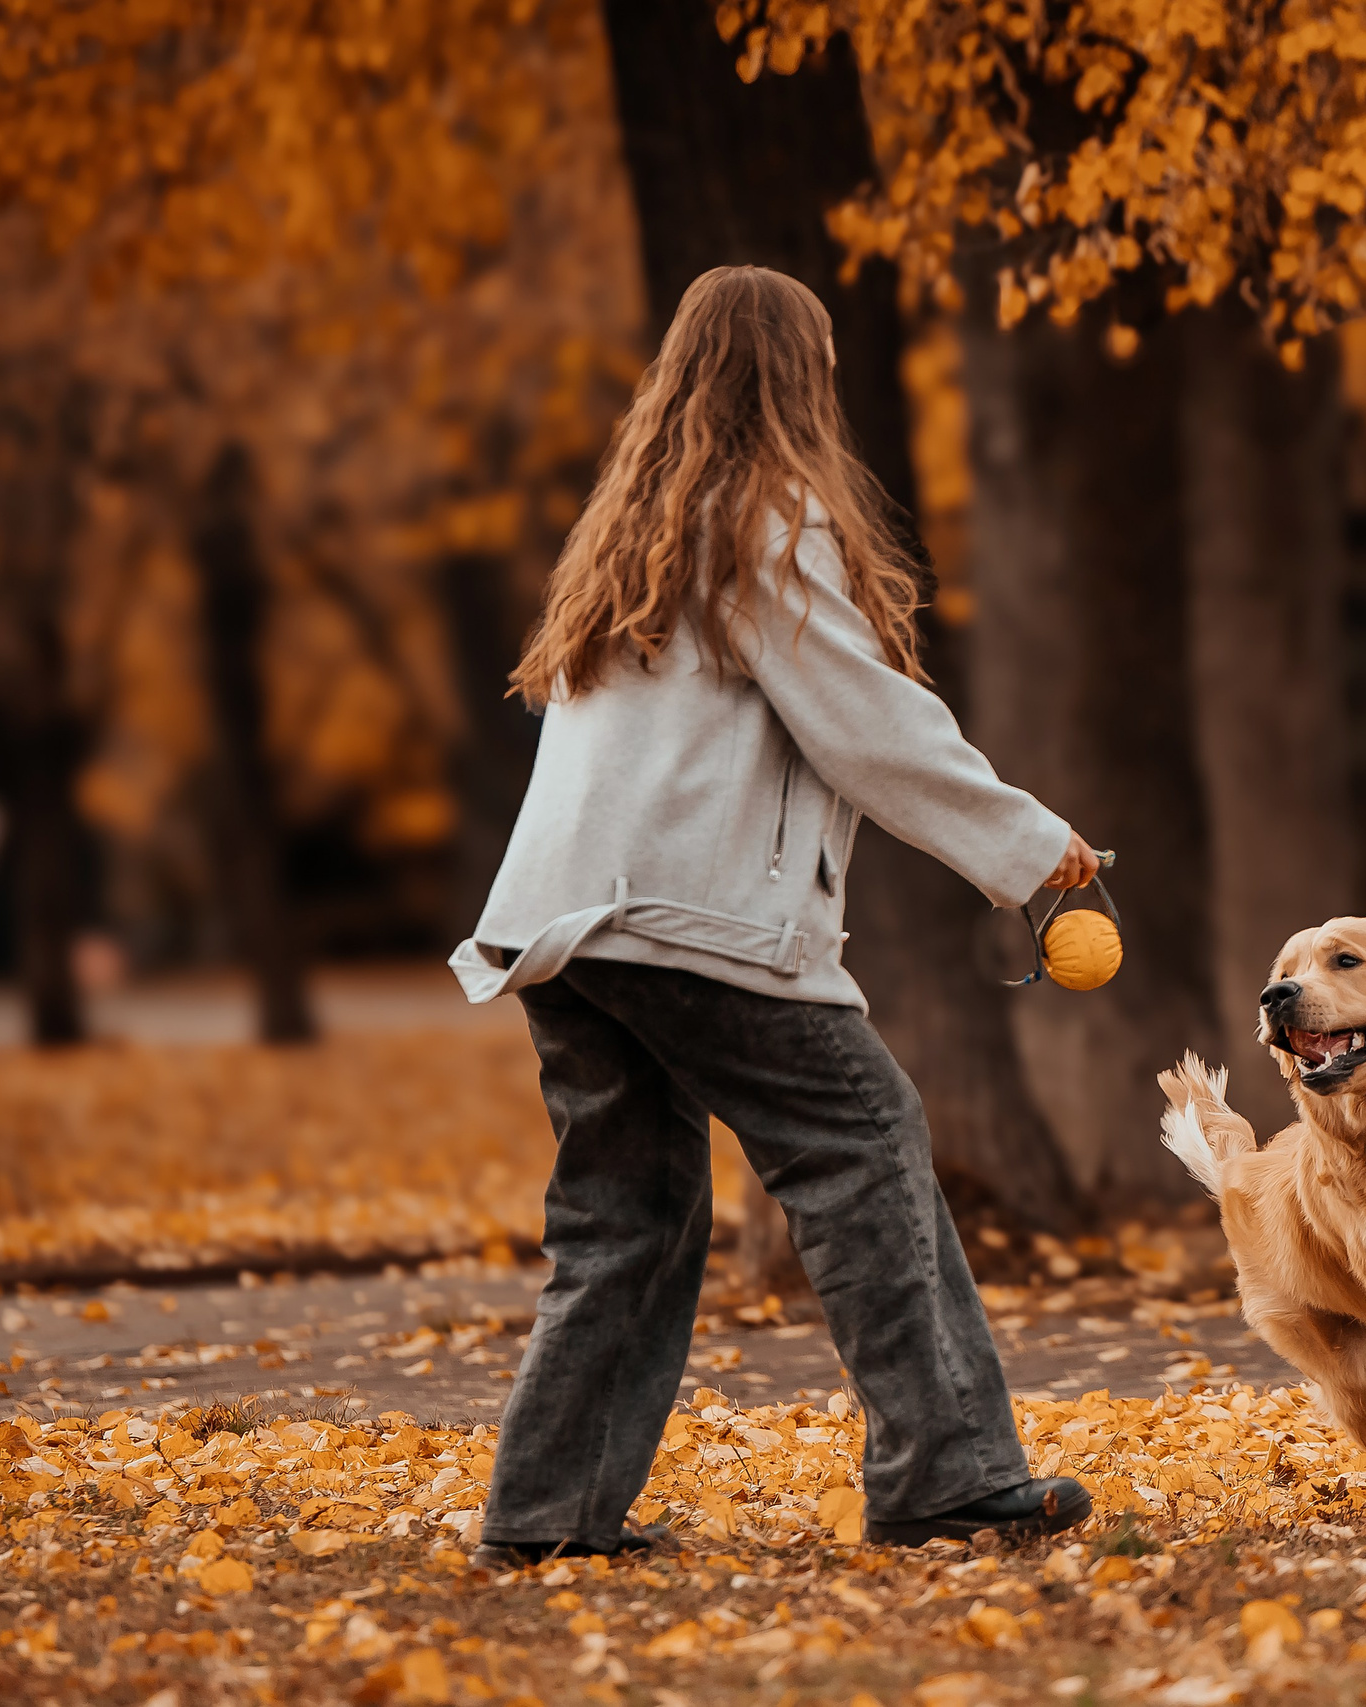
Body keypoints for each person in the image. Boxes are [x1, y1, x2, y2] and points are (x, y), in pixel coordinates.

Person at [447, 266, 1096, 1564]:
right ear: (800, 376)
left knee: (626, 1216)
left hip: (567, 928)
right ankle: (947, 1473)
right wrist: (1028, 846)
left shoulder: (635, 532)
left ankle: (547, 1515)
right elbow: (864, 723)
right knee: (864, 1138)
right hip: (683, 921)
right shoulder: (761, 517)